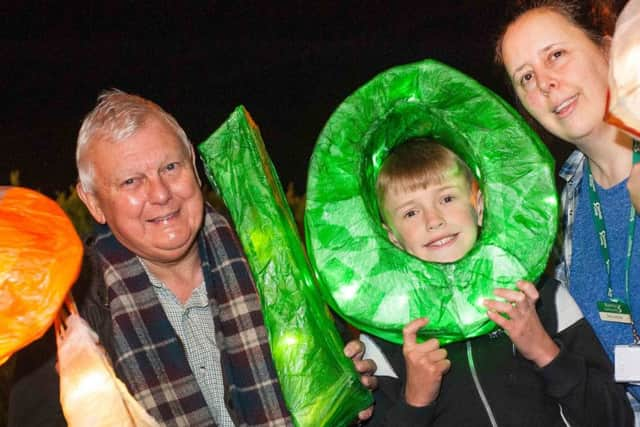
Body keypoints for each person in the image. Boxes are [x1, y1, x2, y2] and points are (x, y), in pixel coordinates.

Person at [8, 89, 376, 426]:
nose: (161, 194)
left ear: (195, 170)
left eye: (171, 168)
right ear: (92, 203)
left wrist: (346, 394)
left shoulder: (273, 262)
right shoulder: (65, 319)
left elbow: (343, 391)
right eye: (131, 182)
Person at [365, 138, 632, 426]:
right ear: (392, 237)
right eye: (410, 212)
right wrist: (415, 402)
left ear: (478, 206)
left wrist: (545, 351)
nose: (433, 220)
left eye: (446, 198)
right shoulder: (384, 335)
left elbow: (616, 417)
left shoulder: (542, 297)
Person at [494, 0, 640, 421]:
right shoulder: (551, 216)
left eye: (556, 55)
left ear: (608, 49)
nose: (545, 83)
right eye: (526, 78)